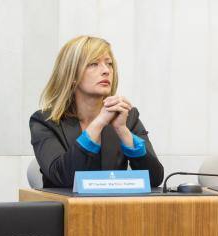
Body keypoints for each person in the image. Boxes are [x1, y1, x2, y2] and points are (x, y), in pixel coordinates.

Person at [29, 35, 164, 188]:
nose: (106, 71)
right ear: (72, 75)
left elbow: (154, 179)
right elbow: (64, 179)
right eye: (93, 64)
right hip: (68, 210)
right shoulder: (45, 122)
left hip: (114, 209)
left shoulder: (127, 117)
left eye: (109, 64)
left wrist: (122, 130)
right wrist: (99, 123)